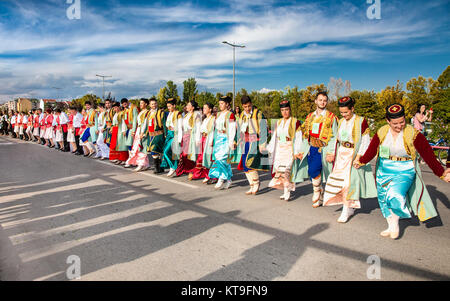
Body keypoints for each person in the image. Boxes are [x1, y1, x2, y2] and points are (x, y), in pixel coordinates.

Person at [354, 103, 450, 239]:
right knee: (383, 198)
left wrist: (441, 172)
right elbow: (372, 150)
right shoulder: (381, 132)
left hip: (405, 169)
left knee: (395, 194)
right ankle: (390, 225)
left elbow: (428, 154)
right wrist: (362, 161)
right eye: (395, 123)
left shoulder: (413, 133)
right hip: (384, 168)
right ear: (388, 121)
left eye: (402, 122)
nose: (399, 126)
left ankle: (394, 225)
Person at [322, 96, 377, 223]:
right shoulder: (340, 122)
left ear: (352, 108)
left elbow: (365, 140)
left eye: (346, 112)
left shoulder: (361, 121)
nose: (344, 115)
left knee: (348, 183)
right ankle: (349, 206)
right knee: (338, 181)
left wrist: (360, 157)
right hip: (342, 154)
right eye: (341, 113)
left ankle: (346, 210)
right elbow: (336, 138)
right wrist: (332, 153)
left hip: (353, 154)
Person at [300, 92, 339, 208]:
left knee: (315, 170)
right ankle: (319, 190)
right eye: (320, 100)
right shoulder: (310, 116)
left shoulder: (331, 117)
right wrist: (302, 149)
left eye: (325, 100)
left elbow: (335, 136)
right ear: (316, 101)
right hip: (311, 147)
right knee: (312, 172)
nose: (322, 102)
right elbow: (305, 135)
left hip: (323, 149)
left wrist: (331, 152)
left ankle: (317, 191)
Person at [266, 100, 304, 201]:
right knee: (280, 171)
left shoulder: (295, 122)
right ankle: (285, 191)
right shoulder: (279, 122)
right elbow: (275, 136)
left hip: (289, 148)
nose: (285, 112)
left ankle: (287, 191)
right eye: (282, 110)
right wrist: (270, 147)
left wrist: (296, 152)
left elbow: (298, 137)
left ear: (290, 110)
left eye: (286, 109)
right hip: (280, 148)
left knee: (287, 170)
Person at [234, 95, 269, 195]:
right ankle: (251, 185)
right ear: (242, 106)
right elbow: (239, 129)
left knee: (250, 163)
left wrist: (262, 143)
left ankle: (256, 183)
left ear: (251, 104)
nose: (247, 108)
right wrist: (236, 141)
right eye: (245, 107)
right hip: (245, 141)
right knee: (245, 165)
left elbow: (263, 129)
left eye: (249, 106)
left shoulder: (258, 113)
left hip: (254, 140)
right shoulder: (241, 115)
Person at [208, 95, 236, 190]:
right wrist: (212, 139)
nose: (220, 105)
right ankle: (228, 180)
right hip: (218, 138)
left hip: (226, 138)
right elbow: (214, 128)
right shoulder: (218, 114)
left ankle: (221, 178)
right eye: (219, 103)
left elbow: (232, 129)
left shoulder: (230, 115)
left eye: (222, 103)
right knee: (223, 161)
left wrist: (231, 142)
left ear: (227, 104)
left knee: (221, 159)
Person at [175, 100, 202, 179]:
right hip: (185, 136)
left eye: (188, 105)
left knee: (189, 154)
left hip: (191, 136)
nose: (186, 106)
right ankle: (188, 169)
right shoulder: (186, 115)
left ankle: (192, 170)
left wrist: (197, 139)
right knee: (183, 154)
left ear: (192, 107)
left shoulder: (197, 115)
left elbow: (198, 127)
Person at [190, 102, 216, 183]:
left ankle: (213, 176)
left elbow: (213, 131)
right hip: (203, 139)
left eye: (205, 108)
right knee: (202, 158)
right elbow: (201, 130)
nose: (204, 109)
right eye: (203, 108)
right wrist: (199, 139)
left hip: (208, 139)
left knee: (209, 158)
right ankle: (207, 175)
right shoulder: (205, 119)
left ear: (210, 109)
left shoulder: (213, 119)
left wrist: (211, 140)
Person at [125, 98, 151, 171]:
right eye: (140, 103)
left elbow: (145, 123)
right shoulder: (140, 112)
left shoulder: (147, 112)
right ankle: (146, 164)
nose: (140, 105)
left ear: (146, 104)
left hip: (143, 131)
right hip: (138, 130)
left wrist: (142, 132)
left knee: (141, 147)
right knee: (137, 147)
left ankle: (140, 164)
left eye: (142, 103)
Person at [160, 98, 182, 177]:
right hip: (169, 134)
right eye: (167, 106)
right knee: (169, 152)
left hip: (174, 134)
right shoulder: (169, 114)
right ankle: (173, 167)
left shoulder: (178, 114)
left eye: (170, 106)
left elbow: (179, 127)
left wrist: (179, 139)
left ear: (174, 105)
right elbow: (166, 124)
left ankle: (172, 167)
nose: (168, 108)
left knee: (167, 151)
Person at [146, 97, 167, 174]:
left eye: (155, 103)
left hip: (158, 134)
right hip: (150, 134)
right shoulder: (148, 113)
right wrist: (145, 133)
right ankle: (159, 167)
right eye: (152, 104)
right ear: (149, 105)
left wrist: (165, 134)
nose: (154, 105)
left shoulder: (161, 112)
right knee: (154, 151)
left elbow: (164, 123)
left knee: (155, 150)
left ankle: (156, 167)